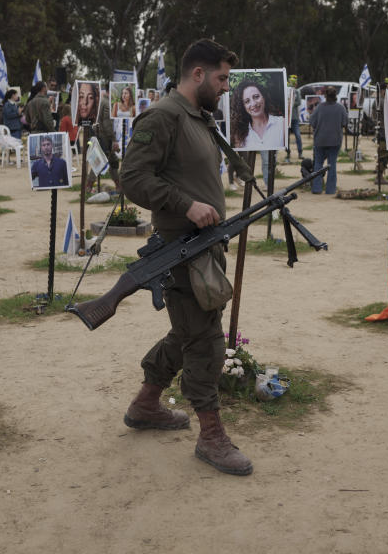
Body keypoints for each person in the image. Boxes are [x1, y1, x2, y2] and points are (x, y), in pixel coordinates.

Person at [121, 38, 253, 476]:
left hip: (203, 247)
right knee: (205, 340)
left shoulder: (199, 118)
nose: (225, 87)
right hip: (180, 250)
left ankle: (145, 404)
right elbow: (133, 177)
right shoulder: (163, 117)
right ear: (197, 74)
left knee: (189, 330)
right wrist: (185, 205)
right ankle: (212, 436)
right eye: (221, 78)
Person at [309, 85, 348, 194]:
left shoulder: (320, 108)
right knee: (332, 165)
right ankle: (330, 190)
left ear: (325, 96)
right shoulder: (341, 108)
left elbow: (312, 122)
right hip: (335, 140)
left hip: (320, 140)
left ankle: (317, 188)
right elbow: (345, 123)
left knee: (318, 164)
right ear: (335, 96)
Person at [229, 79, 284, 149]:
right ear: (243, 107)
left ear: (263, 97)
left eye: (256, 97)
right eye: (247, 101)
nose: (253, 104)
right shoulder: (239, 135)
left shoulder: (282, 123)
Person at [285, 74, 303, 162]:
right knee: (286, 138)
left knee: (298, 136)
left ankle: (300, 152)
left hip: (295, 118)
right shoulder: (286, 91)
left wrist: (291, 103)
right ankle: (288, 153)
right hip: (287, 118)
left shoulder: (297, 92)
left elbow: (299, 102)